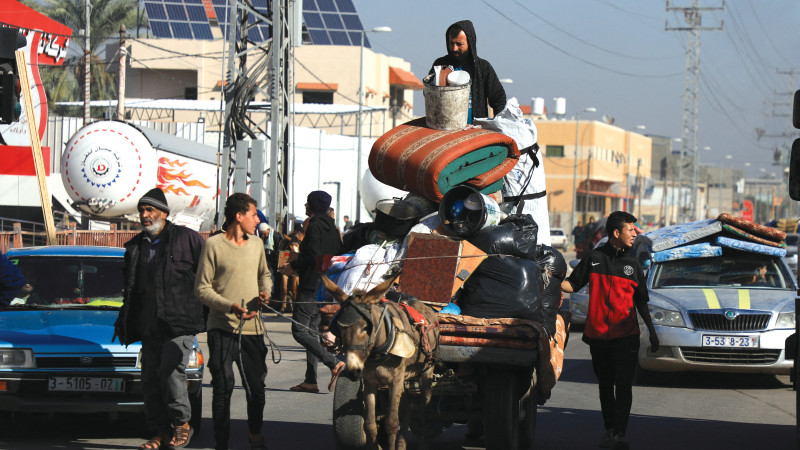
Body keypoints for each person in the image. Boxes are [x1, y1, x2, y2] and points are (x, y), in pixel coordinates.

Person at [114, 187, 206, 450]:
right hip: (149, 323)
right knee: (151, 381)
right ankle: (158, 433)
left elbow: (208, 276)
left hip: (180, 322)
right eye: (142, 210)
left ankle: (182, 423)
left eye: (150, 210)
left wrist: (206, 313)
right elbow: (131, 287)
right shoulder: (134, 247)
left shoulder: (187, 239)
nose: (144, 215)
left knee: (171, 374)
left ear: (164, 213)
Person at [560, 211, 659, 450]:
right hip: (598, 338)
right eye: (631, 229)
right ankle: (609, 430)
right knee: (605, 385)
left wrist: (653, 332)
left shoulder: (633, 263)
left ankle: (620, 434)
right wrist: (550, 280)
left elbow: (641, 301)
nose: (635, 233)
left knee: (623, 386)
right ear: (616, 233)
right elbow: (572, 285)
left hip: (626, 337)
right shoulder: (593, 258)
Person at [194, 193, 273, 450]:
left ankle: (254, 433)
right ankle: (221, 443)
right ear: (239, 217)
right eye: (253, 214)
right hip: (222, 327)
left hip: (253, 328)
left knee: (256, 389)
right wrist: (229, 306)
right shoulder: (213, 246)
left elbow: (265, 275)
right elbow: (201, 289)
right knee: (223, 386)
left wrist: (266, 292)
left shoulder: (257, 245)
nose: (257, 220)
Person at [279, 190, 344, 394]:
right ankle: (310, 380)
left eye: (307, 204)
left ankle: (333, 362)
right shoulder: (332, 228)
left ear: (313, 206)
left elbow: (312, 256)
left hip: (311, 286)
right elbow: (337, 255)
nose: (305, 206)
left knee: (299, 330)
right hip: (326, 286)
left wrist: (294, 266)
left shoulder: (314, 226)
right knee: (312, 333)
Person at [429, 20, 506, 123]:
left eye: (459, 44)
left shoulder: (483, 68)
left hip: (475, 133)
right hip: (445, 130)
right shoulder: (440, 65)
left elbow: (499, 100)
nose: (454, 48)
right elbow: (428, 94)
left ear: (470, 43)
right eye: (451, 43)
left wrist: (498, 126)